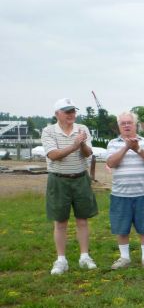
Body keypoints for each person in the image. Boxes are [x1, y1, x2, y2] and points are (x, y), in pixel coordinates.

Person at [42, 98, 98, 275]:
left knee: (82, 220)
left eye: (73, 111)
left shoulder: (83, 130)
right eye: (67, 112)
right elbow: (53, 155)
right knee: (60, 222)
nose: (71, 115)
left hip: (81, 178)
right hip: (58, 180)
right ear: (57, 114)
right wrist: (74, 145)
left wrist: (81, 143)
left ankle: (84, 256)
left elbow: (89, 153)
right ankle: (61, 260)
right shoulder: (49, 131)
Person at [106, 111, 144, 269]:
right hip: (120, 193)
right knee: (121, 228)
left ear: (135, 124)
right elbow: (111, 163)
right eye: (123, 123)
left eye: (129, 122)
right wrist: (125, 148)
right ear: (119, 126)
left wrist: (137, 148)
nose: (126, 125)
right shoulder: (112, 143)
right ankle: (124, 258)